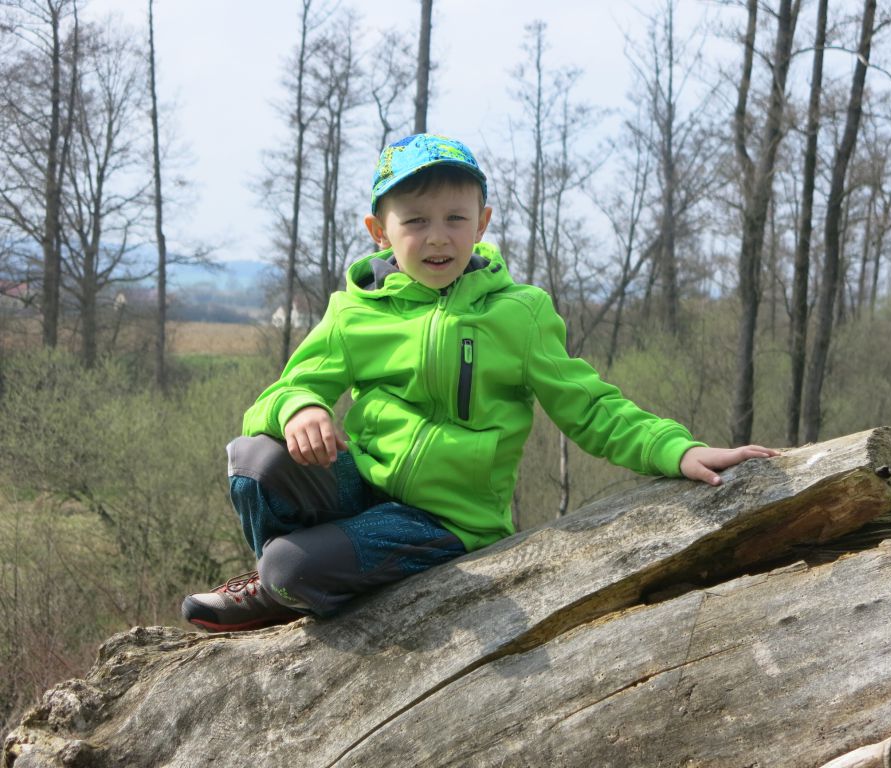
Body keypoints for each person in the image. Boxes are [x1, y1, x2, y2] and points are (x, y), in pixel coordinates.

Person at [181, 133, 778, 633]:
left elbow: (591, 407)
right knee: (253, 459)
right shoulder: (354, 312)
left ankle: (288, 580)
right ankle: (293, 582)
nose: (438, 236)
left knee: (288, 566)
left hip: (445, 523)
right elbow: (276, 396)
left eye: (455, 218)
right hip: (363, 488)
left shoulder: (518, 314)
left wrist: (678, 450)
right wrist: (301, 408)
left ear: (483, 222)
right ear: (379, 231)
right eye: (416, 221)